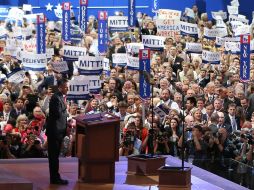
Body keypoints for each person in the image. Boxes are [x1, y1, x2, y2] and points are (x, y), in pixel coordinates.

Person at [45, 78, 69, 185]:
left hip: (58, 132)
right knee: (53, 157)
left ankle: (55, 176)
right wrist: (66, 113)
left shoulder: (60, 97)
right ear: (60, 87)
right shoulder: (56, 98)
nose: (67, 88)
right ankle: (54, 178)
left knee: (55, 157)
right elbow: (56, 113)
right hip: (55, 132)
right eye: (65, 87)